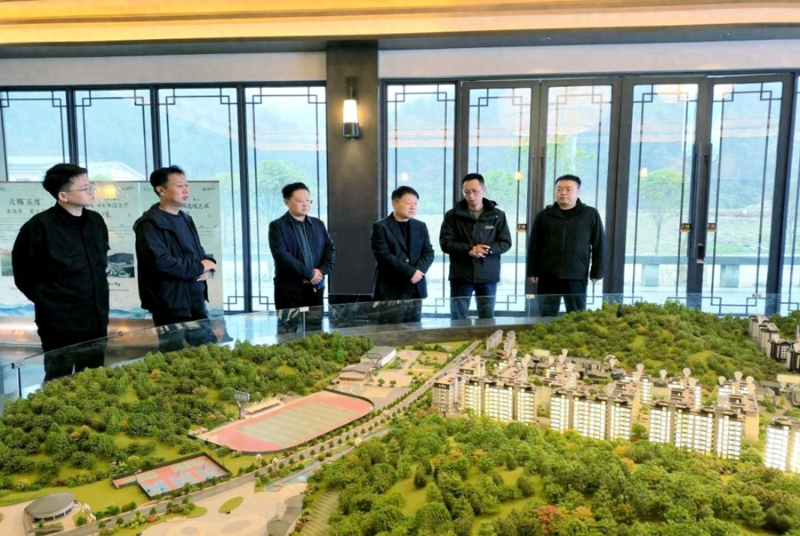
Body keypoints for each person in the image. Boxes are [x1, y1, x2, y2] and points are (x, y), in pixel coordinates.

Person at [12, 163, 109, 381]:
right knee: (59, 379)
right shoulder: (38, 227)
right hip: (59, 323)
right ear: (63, 195)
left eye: (91, 185)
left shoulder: (96, 222)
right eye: (84, 188)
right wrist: (50, 302)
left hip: (96, 318)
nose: (91, 191)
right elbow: (23, 275)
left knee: (94, 377)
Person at [133, 165, 218, 352]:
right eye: (179, 186)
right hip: (169, 300)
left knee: (207, 347)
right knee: (172, 351)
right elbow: (161, 262)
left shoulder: (186, 218)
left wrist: (209, 265)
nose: (186, 190)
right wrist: (198, 267)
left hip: (195, 295)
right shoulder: (149, 224)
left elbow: (198, 252)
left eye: (186, 185)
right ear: (161, 190)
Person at [527, 174, 605, 316]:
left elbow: (599, 244)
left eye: (568, 189)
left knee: (577, 315)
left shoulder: (590, 214)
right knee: (546, 315)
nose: (563, 193)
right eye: (559, 189)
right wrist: (532, 270)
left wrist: (597, 271)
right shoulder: (544, 215)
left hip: (576, 274)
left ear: (578, 191)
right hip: (548, 275)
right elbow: (534, 245)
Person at [439, 173, 512, 320]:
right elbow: (445, 243)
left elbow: (505, 243)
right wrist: (470, 250)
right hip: (461, 275)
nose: (471, 196)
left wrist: (486, 249)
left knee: (486, 318)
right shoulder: (452, 215)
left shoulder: (497, 215)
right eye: (466, 192)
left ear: (484, 190)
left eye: (475, 191)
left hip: (488, 275)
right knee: (458, 318)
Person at [268, 182, 336, 334]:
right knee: (287, 330)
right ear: (287, 202)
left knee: (314, 329)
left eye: (308, 200)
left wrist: (320, 272)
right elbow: (282, 256)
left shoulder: (318, 224)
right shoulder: (277, 226)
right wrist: (309, 274)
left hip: (315, 287)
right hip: (289, 289)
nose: (305, 205)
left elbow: (330, 248)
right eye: (300, 201)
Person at [370, 186, 435, 324]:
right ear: (394, 204)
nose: (413, 207)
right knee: (390, 331)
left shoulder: (420, 226)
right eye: (408, 203)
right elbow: (383, 256)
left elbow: (428, 252)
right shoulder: (380, 227)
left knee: (414, 330)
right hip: (391, 290)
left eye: (415, 203)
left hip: (415, 288)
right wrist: (411, 272)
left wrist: (419, 271)